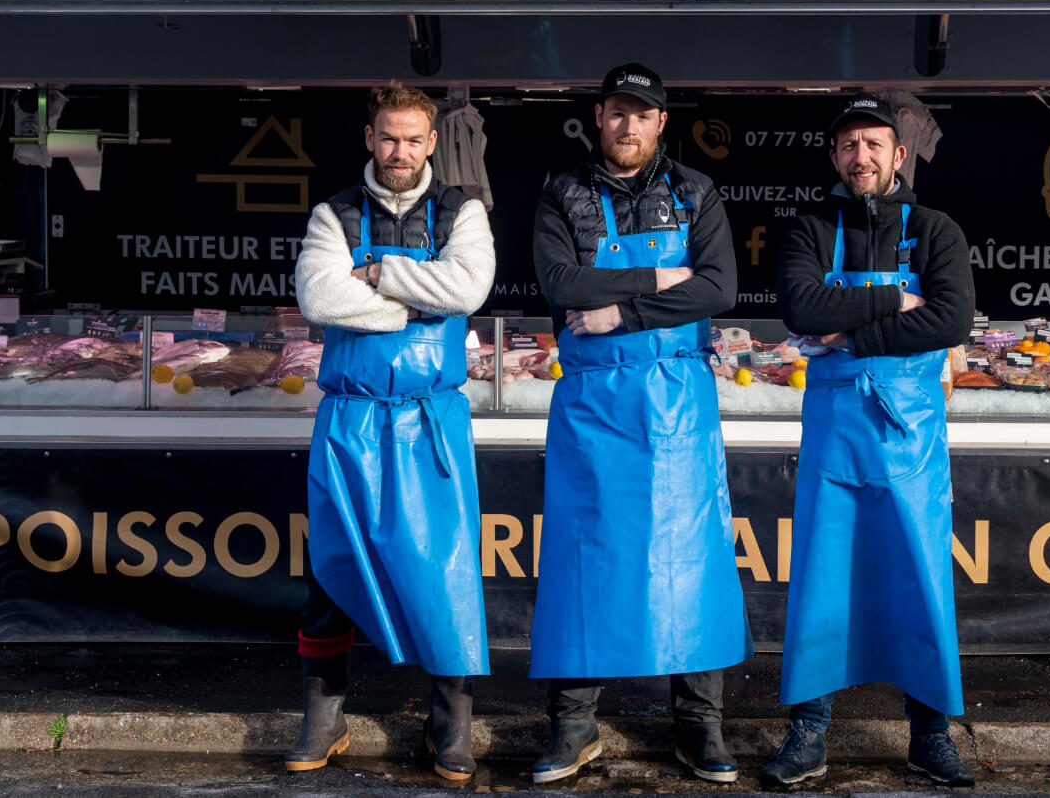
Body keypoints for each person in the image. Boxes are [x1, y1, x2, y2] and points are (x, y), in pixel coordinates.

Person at [526, 63, 750, 784]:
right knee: (581, 560)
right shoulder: (562, 192)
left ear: (661, 123)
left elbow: (720, 285)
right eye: (618, 113)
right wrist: (662, 278)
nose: (629, 126)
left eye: (643, 114)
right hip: (592, 405)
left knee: (694, 562)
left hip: (677, 403)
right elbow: (561, 284)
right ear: (599, 117)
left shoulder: (695, 191)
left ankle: (699, 725)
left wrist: (620, 309)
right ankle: (573, 725)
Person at [766, 94, 977, 788]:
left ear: (898, 154)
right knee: (822, 578)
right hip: (834, 435)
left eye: (874, 144)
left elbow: (949, 321)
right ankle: (808, 730)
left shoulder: (938, 229)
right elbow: (801, 308)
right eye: (849, 145)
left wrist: (851, 333)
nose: (861, 156)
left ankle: (930, 733)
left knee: (920, 575)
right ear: (835, 157)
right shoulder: (807, 228)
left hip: (911, 435)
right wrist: (894, 300)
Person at [290, 82, 496, 781]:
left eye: (413, 138)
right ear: (368, 139)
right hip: (348, 422)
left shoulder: (462, 212)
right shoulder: (334, 213)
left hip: (429, 422)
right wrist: (415, 305)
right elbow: (319, 296)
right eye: (388, 137)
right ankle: (325, 721)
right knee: (330, 572)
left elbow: (467, 291)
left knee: (446, 573)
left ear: (432, 141)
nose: (400, 150)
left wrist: (375, 276)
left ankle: (450, 727)